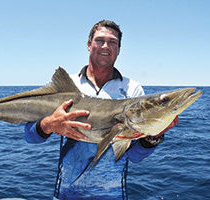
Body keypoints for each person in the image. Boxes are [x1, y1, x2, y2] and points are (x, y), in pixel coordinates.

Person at [24, 20, 178, 200]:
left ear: (119, 50)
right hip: (65, 195)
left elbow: (134, 156)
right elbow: (30, 137)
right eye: (99, 40)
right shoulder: (68, 85)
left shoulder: (133, 90)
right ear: (89, 45)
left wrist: (154, 137)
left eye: (113, 42)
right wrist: (46, 125)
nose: (106, 46)